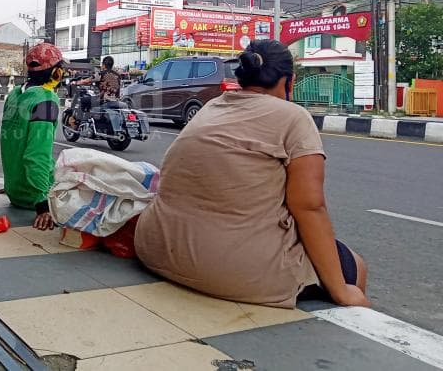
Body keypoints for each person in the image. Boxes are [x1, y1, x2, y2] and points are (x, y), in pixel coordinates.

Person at [135, 40, 370, 309]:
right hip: (230, 270)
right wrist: (341, 290)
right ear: (288, 81)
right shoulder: (294, 117)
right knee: (355, 267)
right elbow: (309, 207)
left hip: (155, 248)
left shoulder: (210, 108)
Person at [0, 43, 67, 230]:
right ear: (56, 73)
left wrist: (13, 181)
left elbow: (9, 144)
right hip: (34, 196)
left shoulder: (14, 95)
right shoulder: (46, 100)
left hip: (14, 191)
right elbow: (37, 155)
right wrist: (42, 204)